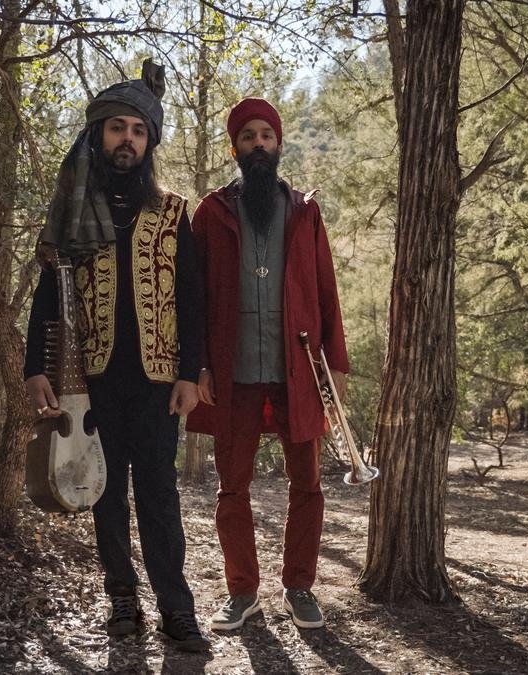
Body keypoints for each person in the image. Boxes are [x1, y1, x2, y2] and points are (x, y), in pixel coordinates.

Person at [23, 61, 209, 652]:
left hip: (157, 379)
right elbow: (48, 294)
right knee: (105, 492)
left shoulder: (175, 213)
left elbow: (193, 299)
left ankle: (176, 608)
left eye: (138, 130)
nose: (126, 138)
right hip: (92, 378)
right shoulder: (74, 210)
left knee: (159, 495)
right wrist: (35, 369)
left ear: (150, 141)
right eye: (116, 128)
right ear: (98, 135)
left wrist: (188, 375)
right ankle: (121, 601)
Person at [186, 97, 348, 631]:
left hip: (297, 371)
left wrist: (335, 368)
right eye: (249, 136)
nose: (259, 144)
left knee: (308, 485)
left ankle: (299, 587)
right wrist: (199, 366)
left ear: (278, 145)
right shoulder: (211, 213)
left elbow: (326, 291)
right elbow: (195, 297)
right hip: (232, 375)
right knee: (232, 489)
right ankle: (242, 592)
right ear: (235, 148)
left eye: (267, 136)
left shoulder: (304, 210)